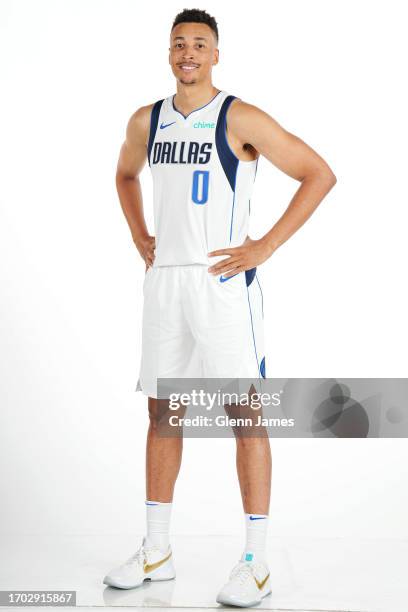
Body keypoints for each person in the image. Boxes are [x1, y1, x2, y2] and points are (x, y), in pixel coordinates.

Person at [103, 8, 336, 607]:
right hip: (166, 286)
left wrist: (265, 245)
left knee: (245, 416)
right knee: (162, 413)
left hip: (223, 283)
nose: (187, 53)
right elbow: (125, 177)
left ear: (215, 54)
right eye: (178, 44)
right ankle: (156, 549)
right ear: (169, 52)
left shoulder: (239, 116)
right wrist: (139, 236)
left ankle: (255, 561)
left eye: (198, 45)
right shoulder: (146, 121)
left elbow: (318, 173)